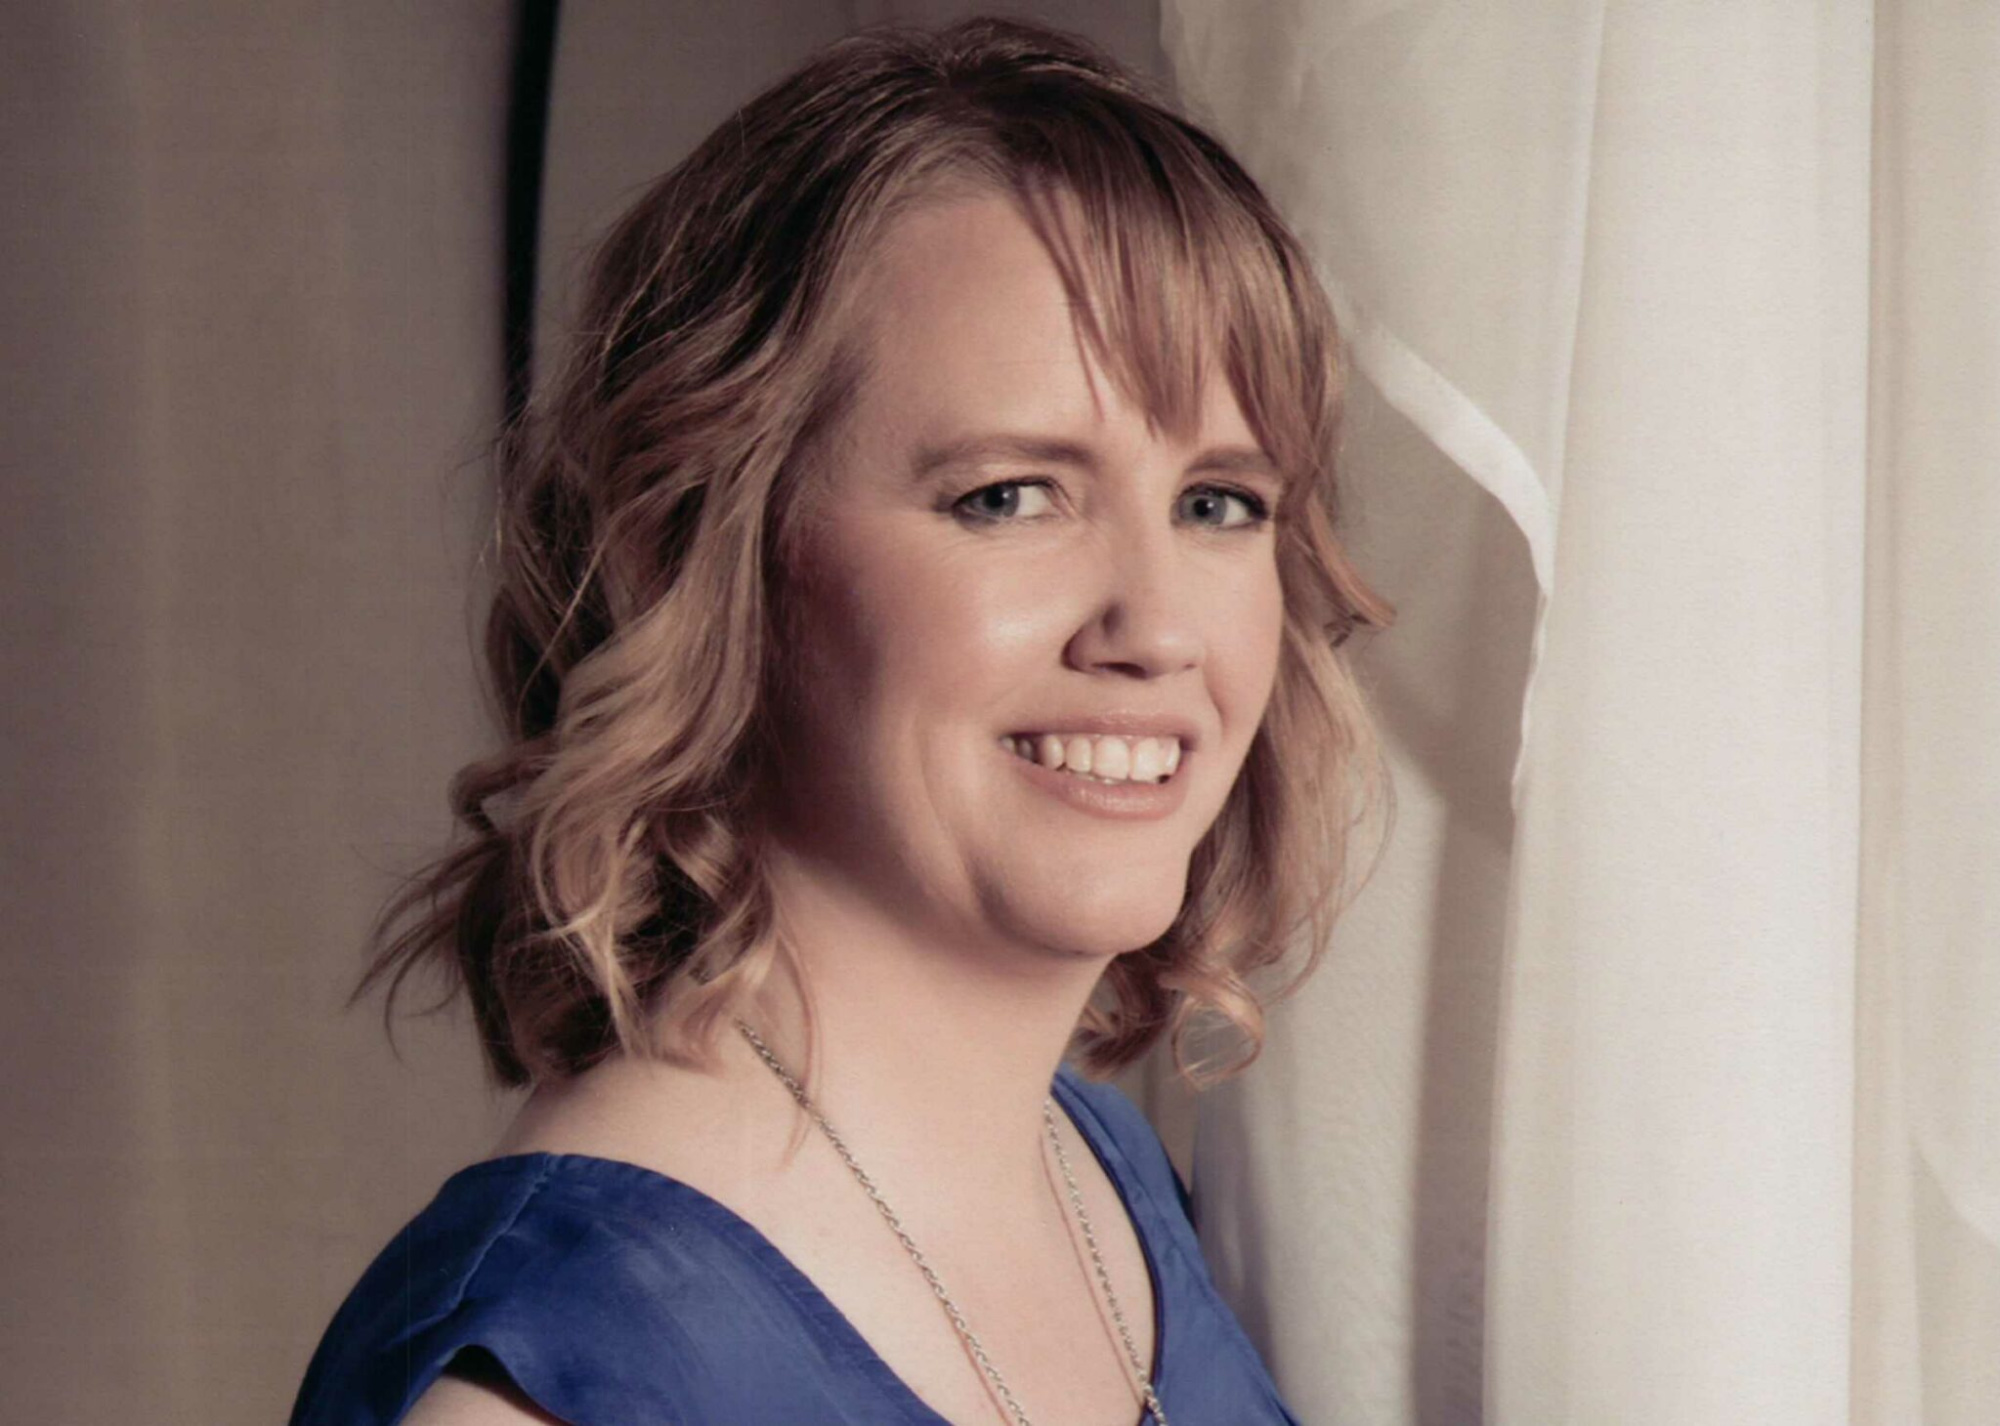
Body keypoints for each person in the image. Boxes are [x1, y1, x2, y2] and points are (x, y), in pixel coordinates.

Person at [289, 16, 1393, 1426]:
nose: (1159, 627)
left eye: (1219, 502)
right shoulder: (544, 1389)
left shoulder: (1108, 1188)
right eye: (1010, 495)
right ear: (717, 556)